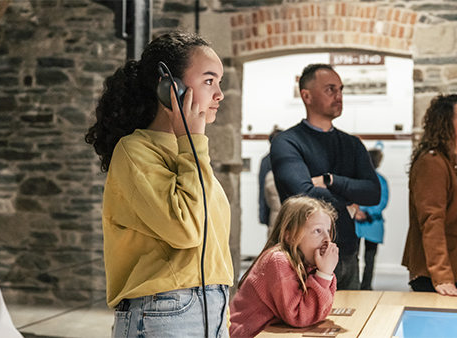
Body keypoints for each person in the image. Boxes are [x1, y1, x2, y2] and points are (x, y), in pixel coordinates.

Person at [84, 31, 233, 337]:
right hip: (164, 312)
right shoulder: (135, 151)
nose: (220, 94)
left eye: (219, 82)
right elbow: (186, 229)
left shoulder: (188, 152)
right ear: (170, 89)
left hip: (212, 308)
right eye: (209, 81)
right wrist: (192, 142)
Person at [270, 64, 381, 290]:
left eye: (340, 89)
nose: (338, 96)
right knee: (306, 323)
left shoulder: (352, 144)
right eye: (330, 89)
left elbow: (372, 192)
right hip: (304, 258)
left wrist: (332, 180)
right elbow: (304, 195)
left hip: (348, 252)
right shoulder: (287, 142)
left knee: (354, 322)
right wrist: (348, 202)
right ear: (306, 96)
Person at [402, 94, 457, 297]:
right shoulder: (432, 162)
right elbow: (432, 220)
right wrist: (442, 276)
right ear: (445, 124)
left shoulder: (456, 160)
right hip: (441, 270)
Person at [229, 196, 339, 338]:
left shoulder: (306, 262)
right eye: (317, 231)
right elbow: (299, 317)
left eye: (328, 231)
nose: (327, 239)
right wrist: (324, 274)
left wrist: (324, 271)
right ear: (291, 237)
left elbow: (321, 312)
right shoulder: (278, 260)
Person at [354, 148, 389, 290]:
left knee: (355, 257)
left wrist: (359, 212)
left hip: (359, 222)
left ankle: (359, 285)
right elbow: (382, 201)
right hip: (371, 224)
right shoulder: (381, 181)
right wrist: (366, 212)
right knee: (368, 258)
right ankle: (365, 286)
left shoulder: (358, 178)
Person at [259, 127, 283, 236]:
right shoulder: (268, 161)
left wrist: (263, 215)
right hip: (278, 210)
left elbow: (262, 191)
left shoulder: (266, 160)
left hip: (274, 213)